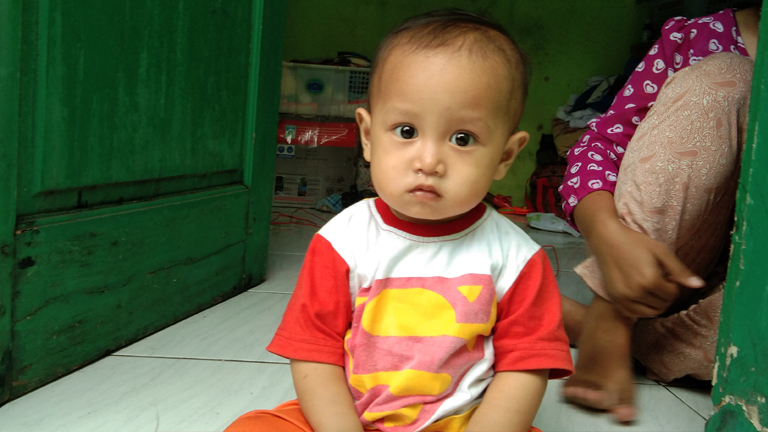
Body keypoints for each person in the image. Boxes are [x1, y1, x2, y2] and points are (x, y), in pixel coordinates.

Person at [224, 9, 573, 432]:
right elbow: (314, 353)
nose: (428, 161)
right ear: (368, 137)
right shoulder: (342, 240)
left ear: (505, 155)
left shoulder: (518, 259)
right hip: (348, 416)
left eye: (462, 139)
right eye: (406, 131)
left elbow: (524, 370)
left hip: (463, 422)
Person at [558, 6, 760, 423]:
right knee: (723, 76)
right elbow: (601, 147)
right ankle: (610, 315)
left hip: (739, 302)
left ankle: (599, 329)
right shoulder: (698, 38)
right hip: (667, 263)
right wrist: (607, 232)